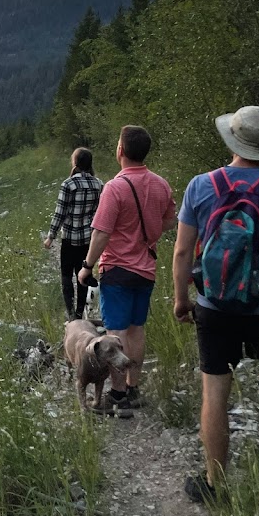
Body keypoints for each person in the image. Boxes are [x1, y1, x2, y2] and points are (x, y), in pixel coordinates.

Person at [171, 105, 259, 503]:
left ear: (232, 139)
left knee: (215, 391)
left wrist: (183, 300)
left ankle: (216, 484)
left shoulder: (200, 186)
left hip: (213, 306)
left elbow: (182, 252)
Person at [78, 126, 176, 416]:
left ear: (121, 150)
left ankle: (118, 394)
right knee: (136, 330)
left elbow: (101, 233)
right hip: (146, 268)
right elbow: (170, 221)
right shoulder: (161, 185)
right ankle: (133, 388)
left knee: (116, 332)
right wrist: (147, 232)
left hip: (118, 270)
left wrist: (86, 267)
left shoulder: (115, 187)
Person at [44, 147, 104, 321]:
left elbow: (60, 213)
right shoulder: (98, 184)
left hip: (69, 238)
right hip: (88, 239)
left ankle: (71, 315)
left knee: (66, 275)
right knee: (83, 274)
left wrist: (50, 236)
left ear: (75, 163)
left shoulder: (68, 184)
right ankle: (80, 312)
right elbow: (99, 213)